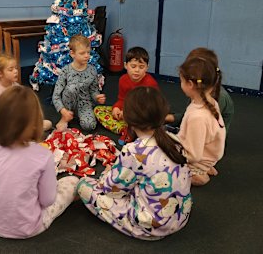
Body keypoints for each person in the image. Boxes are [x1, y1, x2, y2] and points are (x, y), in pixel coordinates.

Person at [77, 86, 192, 240]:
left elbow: (112, 190)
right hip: (179, 216)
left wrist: (106, 175)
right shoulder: (174, 141)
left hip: (150, 227)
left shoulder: (133, 151)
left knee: (83, 185)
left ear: (128, 118)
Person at [0, 85, 79, 239]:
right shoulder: (43, 155)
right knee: (73, 182)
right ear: (35, 122)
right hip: (30, 226)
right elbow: (47, 200)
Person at [177, 56, 226, 186]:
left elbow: (193, 156)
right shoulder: (210, 101)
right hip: (210, 154)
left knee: (160, 164)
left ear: (190, 84)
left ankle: (199, 174)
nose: (180, 84)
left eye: (181, 81)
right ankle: (205, 167)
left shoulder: (197, 117)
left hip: (199, 159)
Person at [94, 47, 158, 143]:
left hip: (143, 113)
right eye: (133, 66)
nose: (137, 70)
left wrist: (128, 112)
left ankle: (134, 130)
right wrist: (116, 108)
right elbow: (122, 99)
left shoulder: (150, 83)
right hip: (126, 113)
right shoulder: (123, 80)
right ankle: (124, 129)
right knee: (98, 110)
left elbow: (150, 106)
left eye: (141, 67)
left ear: (147, 67)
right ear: (126, 65)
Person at [166, 47, 234, 134]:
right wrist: (168, 118)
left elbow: (198, 136)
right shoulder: (200, 91)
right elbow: (187, 116)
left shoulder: (219, 98)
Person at [53, 34, 106, 131]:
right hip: (68, 104)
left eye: (88, 52)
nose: (86, 56)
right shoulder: (66, 71)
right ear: (72, 54)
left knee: (90, 126)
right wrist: (63, 111)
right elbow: (56, 95)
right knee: (72, 87)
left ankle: (80, 115)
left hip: (84, 103)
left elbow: (94, 90)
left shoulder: (92, 70)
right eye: (82, 53)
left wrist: (97, 97)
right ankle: (65, 117)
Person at [0, 54, 52, 130]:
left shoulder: (17, 87)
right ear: (0, 73)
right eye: (11, 70)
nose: (15, 71)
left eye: (16, 68)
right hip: (1, 123)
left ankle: (25, 131)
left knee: (48, 123)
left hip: (17, 121)